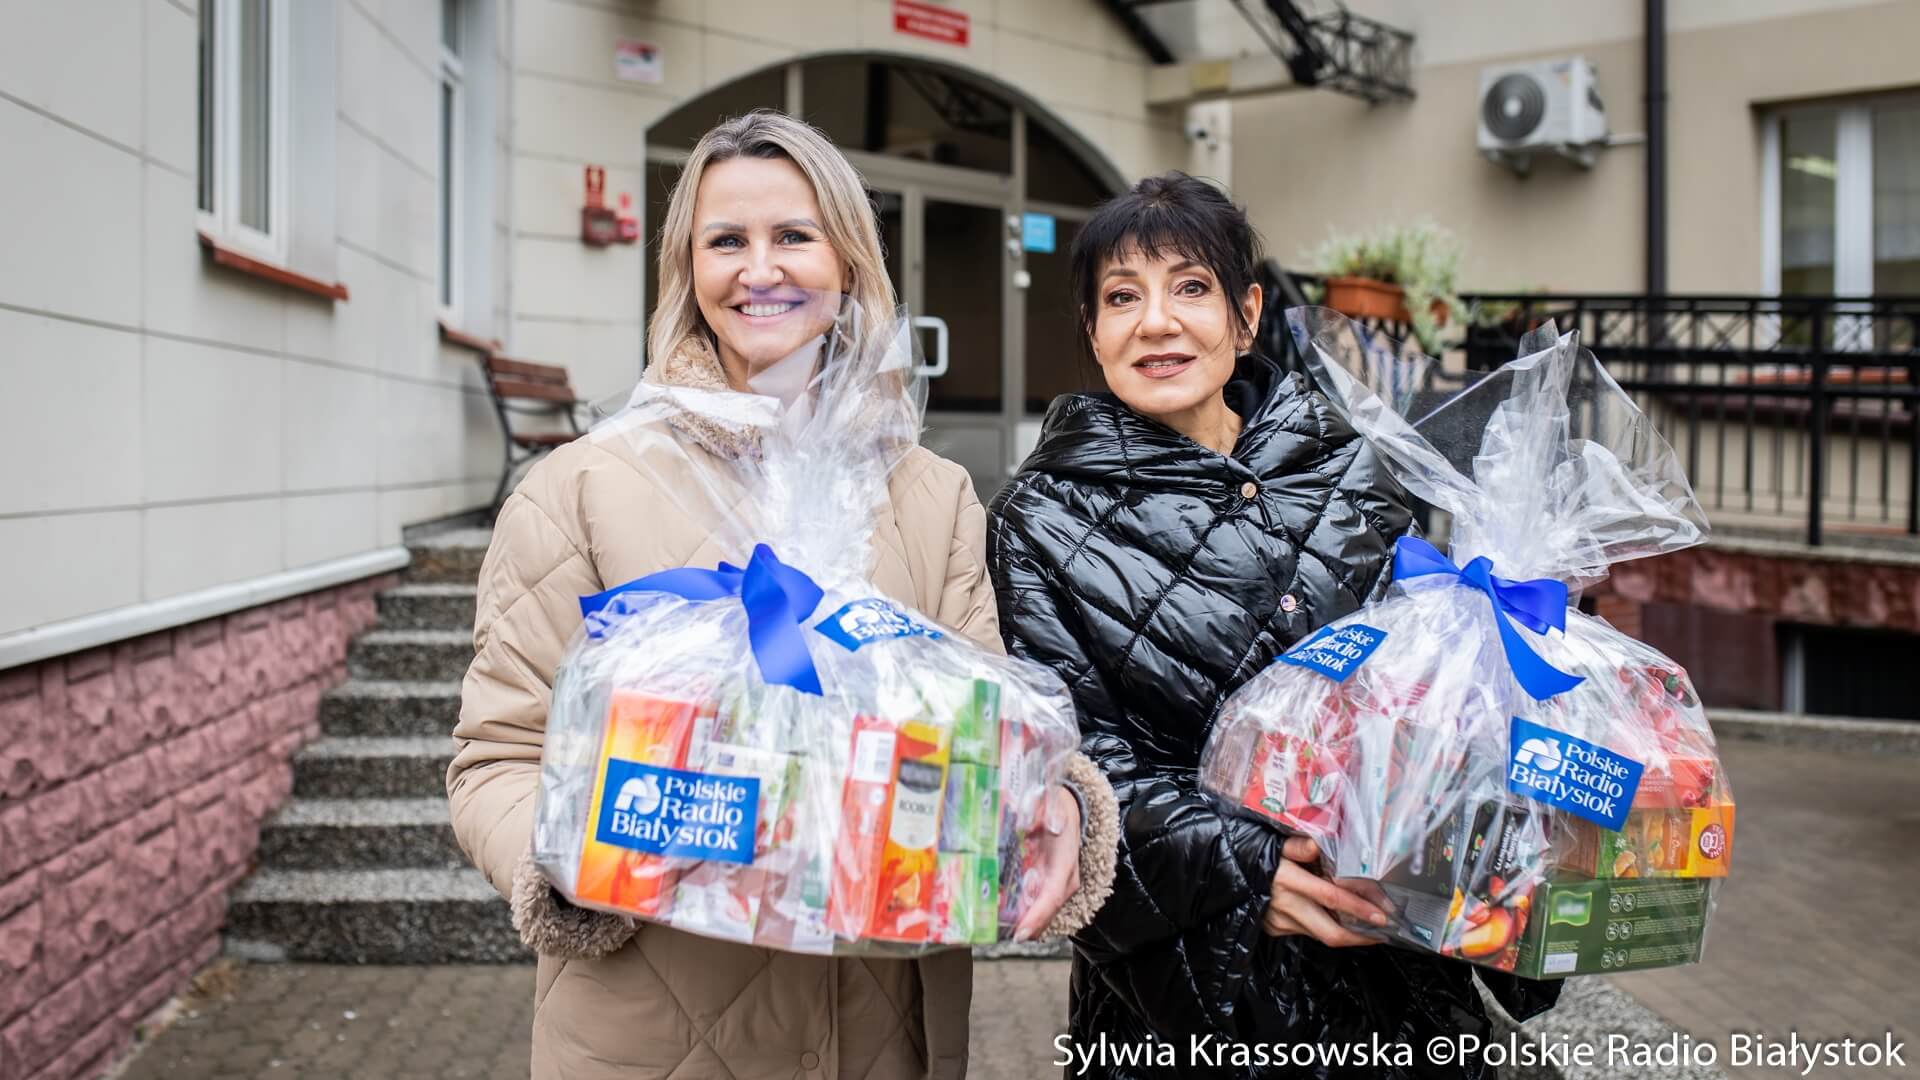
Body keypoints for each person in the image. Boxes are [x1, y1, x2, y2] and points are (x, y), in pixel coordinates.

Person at [448, 110, 1118, 1080]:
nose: (759, 270)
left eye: (794, 236)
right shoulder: (584, 486)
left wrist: (1053, 800)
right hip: (655, 1035)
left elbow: (988, 724)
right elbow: (497, 758)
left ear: (848, 260)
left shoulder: (932, 496)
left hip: (886, 1033)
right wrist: (578, 862)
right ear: (688, 271)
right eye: (726, 241)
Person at [987, 172, 1559, 1078]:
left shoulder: (1353, 471)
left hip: (1400, 981)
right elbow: (1061, 767)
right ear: (1092, 330)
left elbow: (1435, 696)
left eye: (1190, 288)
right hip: (1187, 1010)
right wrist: (1242, 870)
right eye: (1123, 297)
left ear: (1246, 315)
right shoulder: (1035, 521)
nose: (1157, 322)